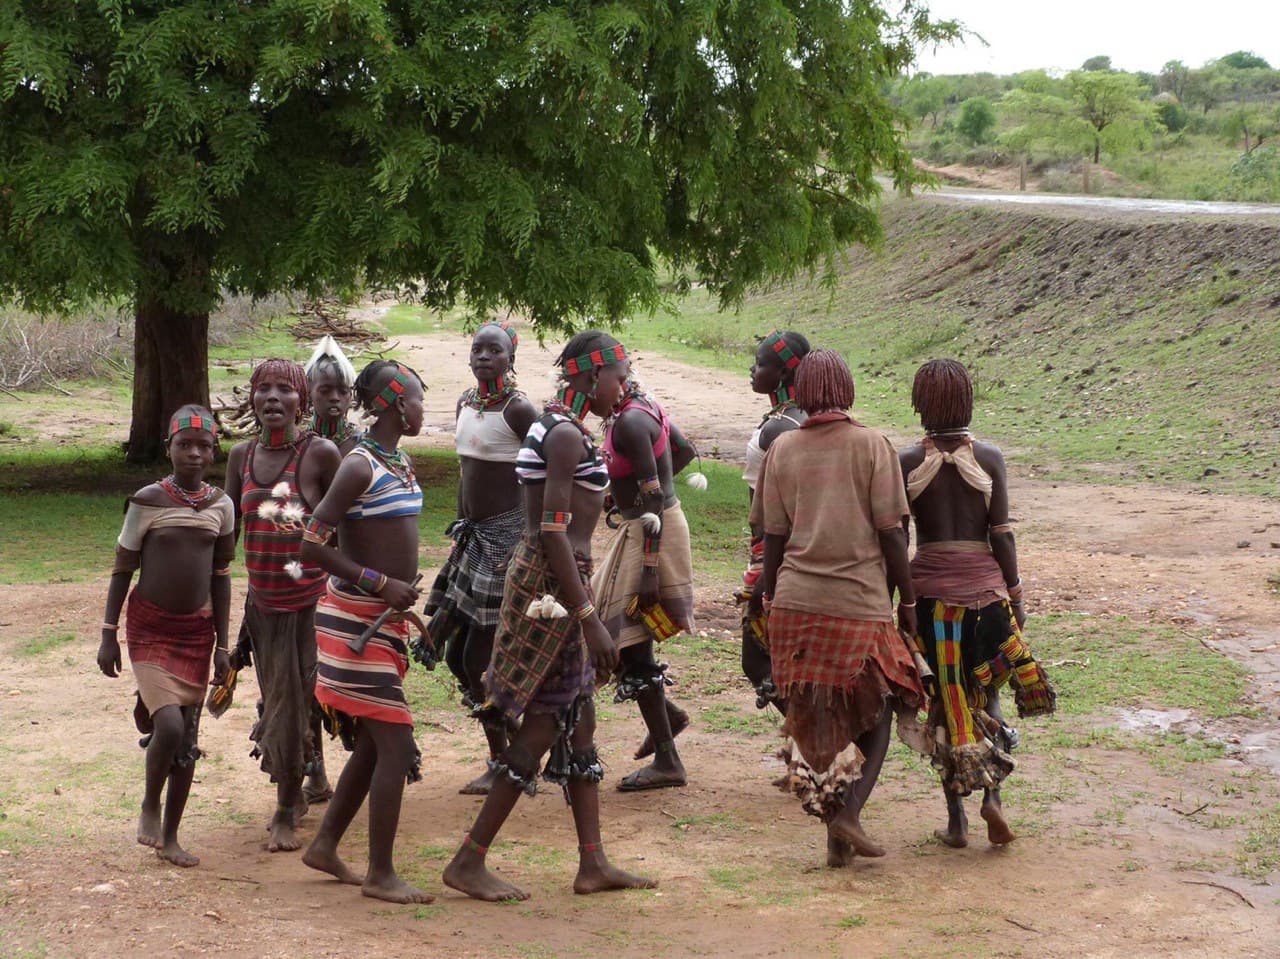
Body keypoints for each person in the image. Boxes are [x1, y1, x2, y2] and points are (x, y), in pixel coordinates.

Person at [444, 331, 655, 902]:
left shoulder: (563, 426)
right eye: (619, 374)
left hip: (556, 580)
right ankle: (469, 859)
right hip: (552, 585)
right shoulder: (563, 434)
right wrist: (586, 614)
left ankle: (593, 863)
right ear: (590, 377)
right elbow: (553, 531)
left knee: (580, 720)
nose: (625, 385)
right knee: (544, 722)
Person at [748, 350, 926, 867]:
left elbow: (772, 536)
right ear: (846, 390)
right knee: (879, 707)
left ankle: (835, 840)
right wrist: (907, 598)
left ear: (800, 393)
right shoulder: (873, 445)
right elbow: (893, 533)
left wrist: (770, 595)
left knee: (820, 717)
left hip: (796, 602)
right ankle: (847, 815)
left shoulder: (782, 449)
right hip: (858, 602)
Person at [898, 359, 1055, 849]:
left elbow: (898, 540)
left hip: (931, 600)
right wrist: (1016, 595)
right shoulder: (989, 457)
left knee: (946, 701)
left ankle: (957, 822)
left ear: (920, 404)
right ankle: (994, 802)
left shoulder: (904, 462)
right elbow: (1001, 534)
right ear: (968, 401)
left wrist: (901, 603)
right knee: (987, 696)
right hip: (987, 599)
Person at [300, 360, 431, 904]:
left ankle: (325, 844)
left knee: (378, 747)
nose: (425, 408)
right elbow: (311, 544)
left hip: (383, 622)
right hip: (354, 621)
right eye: (421, 398)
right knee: (396, 746)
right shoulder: (358, 465)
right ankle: (381, 873)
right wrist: (379, 582)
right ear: (398, 403)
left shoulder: (398, 461)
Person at [98, 405, 234, 867]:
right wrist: (108, 633)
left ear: (214, 452)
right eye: (184, 445)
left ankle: (172, 837)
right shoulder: (148, 501)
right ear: (168, 449)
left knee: (187, 741)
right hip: (151, 627)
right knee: (171, 725)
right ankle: (149, 805)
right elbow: (123, 568)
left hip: (197, 632)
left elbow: (221, 574)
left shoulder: (221, 505)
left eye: (203, 446)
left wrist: (223, 645)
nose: (194, 454)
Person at [225, 358, 341, 852]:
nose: (272, 398)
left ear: (303, 400)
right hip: (265, 607)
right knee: (284, 701)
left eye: (284, 390)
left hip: (313, 602)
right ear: (251, 400)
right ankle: (298, 792)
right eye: (262, 390)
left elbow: (346, 523)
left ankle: (292, 801)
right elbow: (227, 533)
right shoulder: (240, 457)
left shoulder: (320, 455)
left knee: (302, 701)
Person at [425, 320, 537, 794]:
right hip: (471, 540)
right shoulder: (466, 404)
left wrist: (528, 540)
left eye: (494, 350)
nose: (484, 357)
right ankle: (509, 752)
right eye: (477, 349)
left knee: (476, 657)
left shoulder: (519, 410)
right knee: (455, 656)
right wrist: (458, 529)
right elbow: (466, 474)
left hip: (504, 542)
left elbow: (545, 469)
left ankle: (512, 756)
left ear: (511, 358)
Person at [591, 369, 698, 791]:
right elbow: (683, 450)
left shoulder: (632, 421)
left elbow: (653, 496)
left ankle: (669, 758)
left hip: (651, 532)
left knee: (622, 639)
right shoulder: (643, 406)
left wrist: (651, 569)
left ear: (608, 378)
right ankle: (666, 725)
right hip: (648, 527)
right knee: (629, 643)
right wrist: (621, 495)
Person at [739, 330, 810, 713]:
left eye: (761, 363)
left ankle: (822, 750)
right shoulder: (788, 419)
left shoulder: (780, 427)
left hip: (776, 556)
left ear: (783, 373)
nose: (752, 369)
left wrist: (770, 571)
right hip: (775, 554)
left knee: (760, 662)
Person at [305, 335, 362, 456]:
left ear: (351, 395)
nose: (335, 398)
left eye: (343, 391)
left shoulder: (361, 446)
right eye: (325, 391)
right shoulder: (301, 445)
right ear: (309, 392)